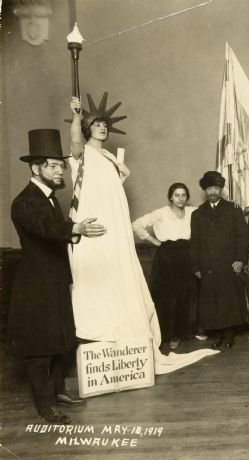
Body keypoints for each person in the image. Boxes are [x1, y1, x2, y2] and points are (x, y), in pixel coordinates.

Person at [68, 97, 215, 374]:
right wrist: (76, 117)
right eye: (95, 124)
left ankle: (128, 336)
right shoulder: (84, 152)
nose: (101, 127)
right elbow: (75, 145)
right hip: (95, 222)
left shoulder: (110, 157)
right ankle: (99, 336)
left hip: (115, 226)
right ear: (87, 127)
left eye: (104, 125)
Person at [9, 129, 107, 423]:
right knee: (40, 347)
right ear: (35, 168)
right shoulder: (25, 202)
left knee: (60, 339)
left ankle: (56, 392)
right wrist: (74, 229)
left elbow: (53, 233)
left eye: (60, 165)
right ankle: (45, 405)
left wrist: (72, 231)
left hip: (54, 282)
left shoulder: (49, 198)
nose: (59, 170)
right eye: (52, 165)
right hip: (36, 287)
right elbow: (45, 229)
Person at [132, 183, 196, 351]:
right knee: (164, 296)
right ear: (170, 197)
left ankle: (178, 334)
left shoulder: (191, 211)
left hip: (185, 256)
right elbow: (137, 224)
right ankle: (163, 334)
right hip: (166, 257)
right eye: (176, 195)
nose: (180, 198)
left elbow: (210, 214)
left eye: (183, 195)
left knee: (183, 295)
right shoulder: (160, 213)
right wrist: (153, 241)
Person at [190, 171, 249, 349]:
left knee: (228, 301)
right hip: (208, 267)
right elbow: (194, 243)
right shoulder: (198, 214)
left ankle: (229, 336)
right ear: (205, 190)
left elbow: (243, 237)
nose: (213, 192)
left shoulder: (233, 210)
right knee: (212, 303)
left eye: (216, 188)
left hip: (229, 264)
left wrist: (240, 260)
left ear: (221, 189)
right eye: (209, 188)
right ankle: (218, 336)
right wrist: (196, 267)